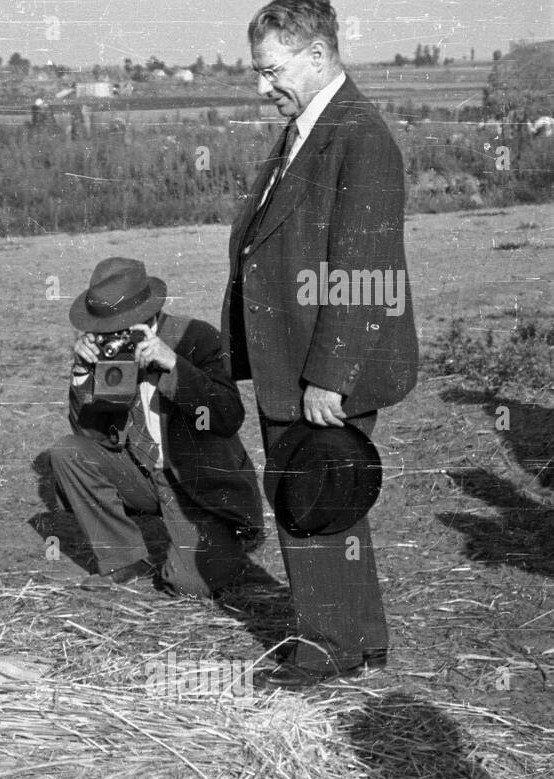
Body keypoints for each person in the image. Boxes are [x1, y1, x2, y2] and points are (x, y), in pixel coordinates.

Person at [221, 0, 418, 688]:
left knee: (309, 500)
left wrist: (330, 377)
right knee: (332, 494)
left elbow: (365, 271)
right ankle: (360, 636)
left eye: (270, 70)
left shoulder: (357, 136)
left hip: (321, 362)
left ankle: (326, 648)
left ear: (317, 55)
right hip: (297, 355)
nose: (261, 86)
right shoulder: (312, 127)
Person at [50, 257, 263, 598]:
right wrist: (80, 373)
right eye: (105, 328)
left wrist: (173, 365)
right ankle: (125, 559)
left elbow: (227, 417)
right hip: (146, 475)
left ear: (148, 315)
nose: (113, 335)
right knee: (67, 453)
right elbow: (89, 436)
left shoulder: (197, 337)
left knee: (188, 585)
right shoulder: (108, 350)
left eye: (121, 325)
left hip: (202, 485)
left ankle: (228, 541)